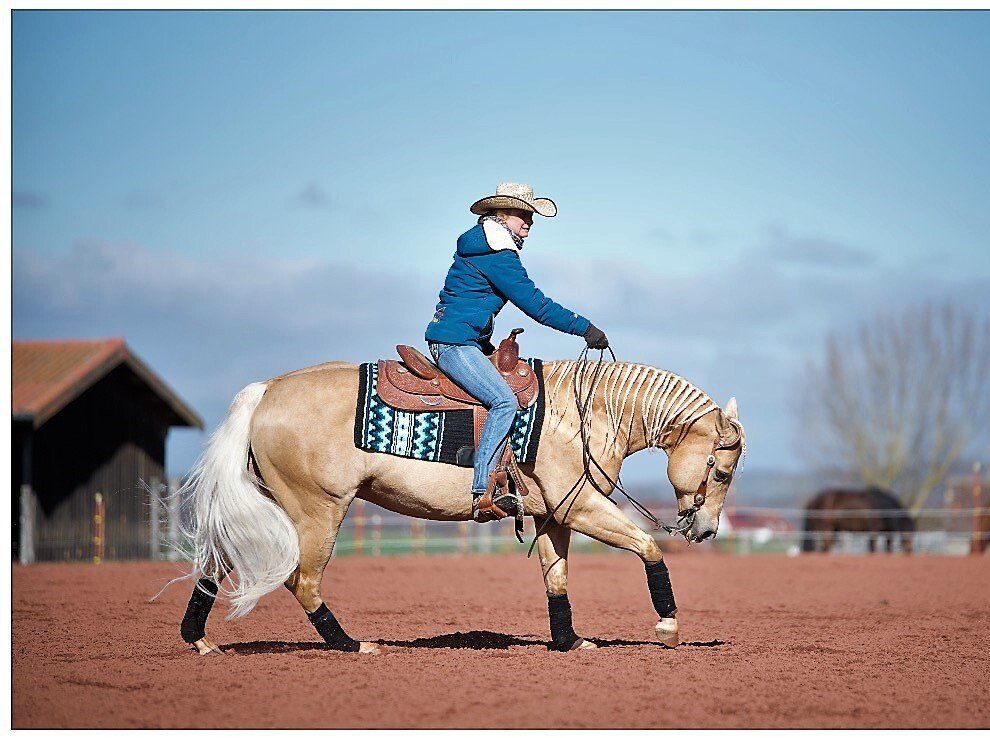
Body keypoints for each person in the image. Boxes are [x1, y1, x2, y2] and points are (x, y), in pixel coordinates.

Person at [425, 182, 609, 522]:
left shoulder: (486, 247)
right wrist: (584, 327)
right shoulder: (498, 254)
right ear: (500, 214)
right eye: (522, 214)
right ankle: (483, 491)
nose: (529, 222)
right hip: (454, 343)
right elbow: (535, 304)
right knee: (504, 401)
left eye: (531, 216)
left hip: (466, 341)